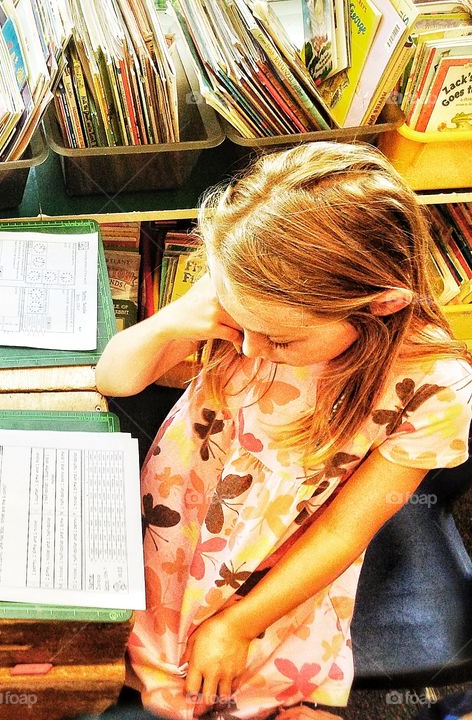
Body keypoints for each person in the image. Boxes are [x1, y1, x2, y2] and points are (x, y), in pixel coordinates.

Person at [96, 141, 472, 720]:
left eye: (278, 340)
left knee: (238, 682)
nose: (248, 348)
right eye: (242, 326)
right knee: (110, 645)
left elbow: (344, 534)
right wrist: (177, 318)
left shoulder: (432, 387)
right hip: (178, 516)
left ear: (382, 304)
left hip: (279, 565)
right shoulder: (256, 297)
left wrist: (238, 623)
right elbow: (116, 379)